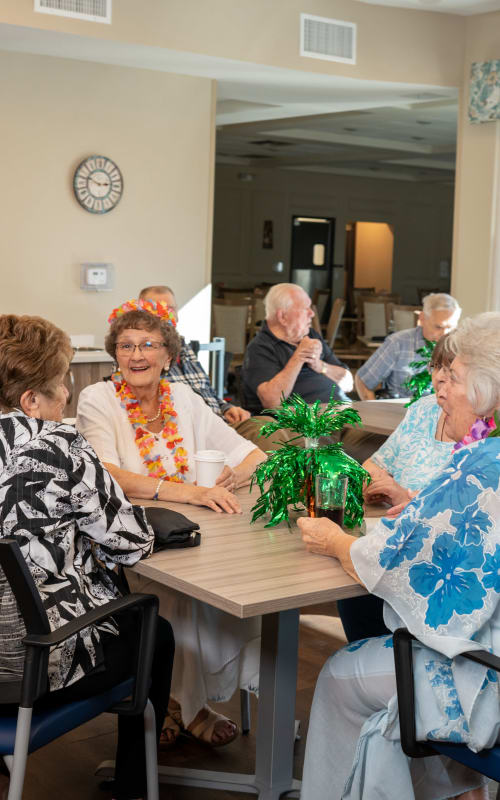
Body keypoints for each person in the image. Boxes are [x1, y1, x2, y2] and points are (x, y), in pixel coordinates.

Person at [297, 312, 500, 800]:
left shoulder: (481, 465)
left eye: (454, 378)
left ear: (488, 388)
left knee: (339, 675)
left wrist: (333, 540)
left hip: (485, 676)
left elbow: (396, 565)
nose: (441, 390)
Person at [76, 298, 266, 747]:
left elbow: (252, 454)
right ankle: (181, 704)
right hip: (130, 539)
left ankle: (189, 698)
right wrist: (190, 492)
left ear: (169, 354)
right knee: (173, 595)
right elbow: (108, 474)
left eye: (148, 344)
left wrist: (236, 474)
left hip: (197, 531)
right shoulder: (97, 399)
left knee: (241, 582)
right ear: (114, 353)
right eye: (125, 345)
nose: (136, 355)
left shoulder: (183, 397)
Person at [0, 314, 174, 800]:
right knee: (154, 631)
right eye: (61, 387)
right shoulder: (60, 446)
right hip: (34, 665)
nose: (67, 398)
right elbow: (132, 544)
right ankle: (135, 787)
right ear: (30, 400)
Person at [338, 335, 456, 643]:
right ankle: (376, 658)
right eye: (437, 366)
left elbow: (456, 515)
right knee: (349, 574)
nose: (440, 376)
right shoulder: (424, 409)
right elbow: (375, 463)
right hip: (385, 543)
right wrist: (372, 481)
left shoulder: (486, 432)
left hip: (430, 568)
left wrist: (404, 495)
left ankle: (391, 666)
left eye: (452, 369)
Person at [138, 285, 290, 452]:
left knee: (284, 431)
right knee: (268, 431)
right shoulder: (140, 356)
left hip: (219, 422)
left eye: (171, 308)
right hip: (191, 433)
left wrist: (226, 408)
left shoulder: (183, 347)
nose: (165, 314)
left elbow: (206, 391)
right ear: (142, 315)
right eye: (157, 308)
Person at [241, 282, 353, 414]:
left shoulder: (311, 335)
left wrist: (320, 365)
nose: (312, 313)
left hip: (345, 414)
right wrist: (299, 357)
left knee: (381, 430)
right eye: (305, 308)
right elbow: (271, 402)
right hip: (312, 425)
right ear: (282, 317)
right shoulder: (260, 348)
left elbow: (348, 384)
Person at [355, 292, 461, 400]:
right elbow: (363, 381)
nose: (445, 334)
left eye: (450, 328)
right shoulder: (397, 343)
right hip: (400, 412)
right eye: (438, 327)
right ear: (422, 318)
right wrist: (375, 413)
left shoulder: (459, 348)